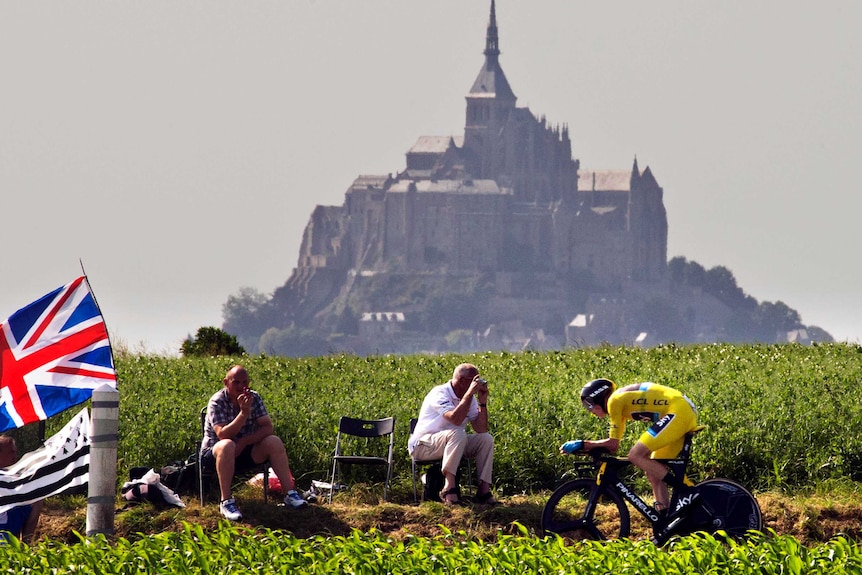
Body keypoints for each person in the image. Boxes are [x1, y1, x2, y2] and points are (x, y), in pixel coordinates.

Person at [560, 378, 699, 514]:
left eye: (588, 405)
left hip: (678, 412)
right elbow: (613, 445)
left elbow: (612, 444)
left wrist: (583, 444)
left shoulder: (613, 401)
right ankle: (664, 517)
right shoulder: (619, 403)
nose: (590, 411)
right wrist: (588, 447)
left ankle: (686, 491)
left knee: (635, 455)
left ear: (596, 398)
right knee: (653, 470)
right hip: (682, 411)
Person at [201, 365, 307, 521]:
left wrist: (245, 441)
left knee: (274, 441)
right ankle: (226, 501)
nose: (241, 387)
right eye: (236, 382)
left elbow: (268, 427)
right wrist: (244, 414)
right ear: (226, 382)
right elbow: (223, 434)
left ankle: (290, 494)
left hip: (244, 451)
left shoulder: (254, 398)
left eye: (244, 382)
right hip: (216, 454)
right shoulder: (218, 401)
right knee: (228, 445)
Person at [408, 363, 497, 505]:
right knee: (457, 432)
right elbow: (455, 419)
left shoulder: (470, 399)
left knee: (485, 439)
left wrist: (482, 402)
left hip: (454, 442)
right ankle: (449, 488)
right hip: (424, 446)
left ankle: (483, 491)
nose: (476, 385)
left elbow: (481, 429)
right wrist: (468, 395)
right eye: (474, 381)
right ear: (462, 381)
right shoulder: (439, 393)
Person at [0, 436, 43, 543]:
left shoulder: (15, 477)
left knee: (36, 498)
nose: (15, 457)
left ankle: (26, 545)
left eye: (15, 452)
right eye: (10, 452)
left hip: (9, 527)